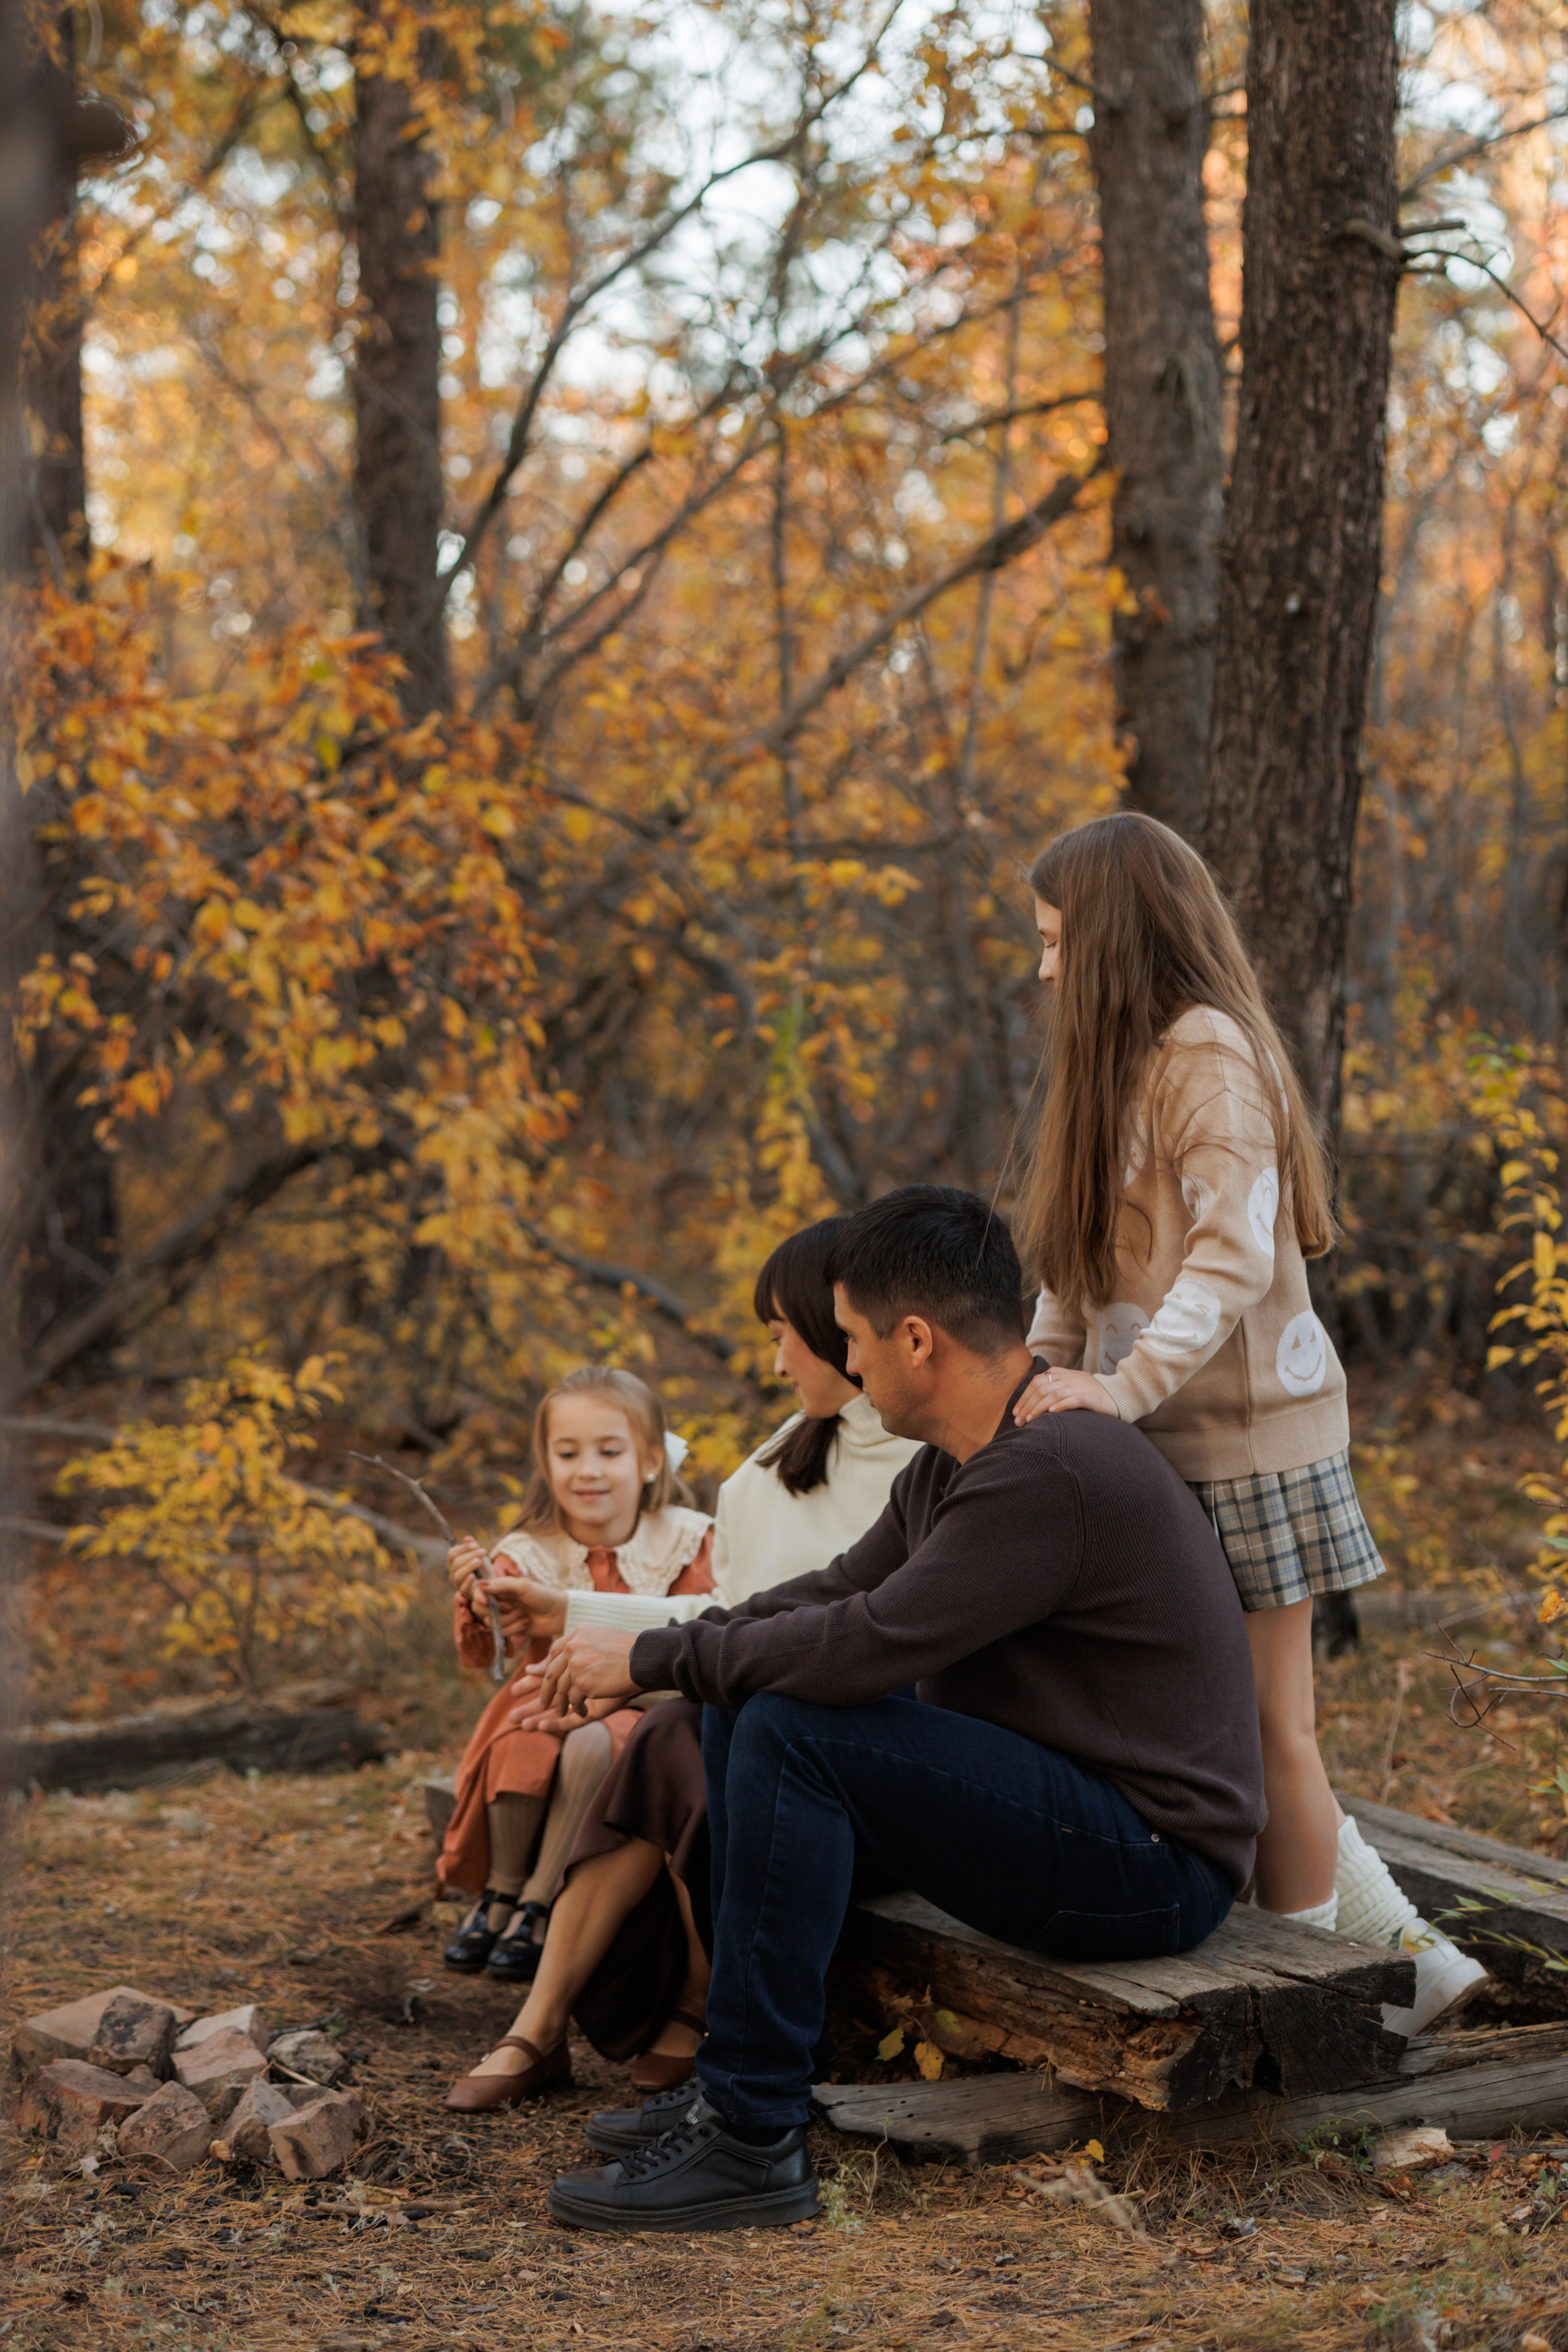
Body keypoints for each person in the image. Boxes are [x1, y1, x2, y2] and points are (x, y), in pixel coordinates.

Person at [514, 1184, 1267, 2233]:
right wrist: (677, 1656)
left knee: (788, 1720)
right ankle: (745, 2080)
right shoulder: (961, 1462)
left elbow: (869, 1643)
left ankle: (751, 2138)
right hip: (1068, 1810)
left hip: (1152, 1861)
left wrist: (652, 1656)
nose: (849, 1361)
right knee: (750, 1705)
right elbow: (828, 1597)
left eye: (857, 1338)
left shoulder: (1047, 1471)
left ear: (917, 1339)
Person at [1010, 809, 1485, 2037]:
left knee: (1273, 1729)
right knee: (1214, 1733)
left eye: (1057, 939)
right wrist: (1038, 1377)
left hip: (1245, 1447)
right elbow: (1076, 1261)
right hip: (1150, 1450)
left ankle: (1323, 2003)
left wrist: (1111, 1392)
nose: (1043, 966)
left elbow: (1219, 1270)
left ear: (1113, 935)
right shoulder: (1115, 1063)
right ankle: (1412, 1964)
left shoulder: (1206, 1060)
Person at [442, 1215, 921, 2111]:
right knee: (673, 1733)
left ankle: (696, 2014)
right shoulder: (768, 1474)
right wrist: (574, 1622)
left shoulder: (931, 1463)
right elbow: (728, 1619)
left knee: (690, 1733)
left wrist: (630, 1661)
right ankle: (540, 2023)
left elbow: (811, 1635)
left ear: (842, 1328)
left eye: (787, 1334)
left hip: (867, 1751)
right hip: (767, 1716)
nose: (778, 1363)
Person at [437, 1367, 712, 1983]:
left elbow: (703, 1633)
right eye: (568, 1454)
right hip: (541, 1702)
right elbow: (490, 1657)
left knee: (594, 1739)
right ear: (547, 1462)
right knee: (524, 1732)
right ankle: (500, 1892)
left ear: (647, 1461)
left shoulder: (686, 1541)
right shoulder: (529, 1550)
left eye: (607, 1452)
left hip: (643, 1706)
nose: (587, 1470)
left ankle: (541, 1899)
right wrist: (478, 1598)